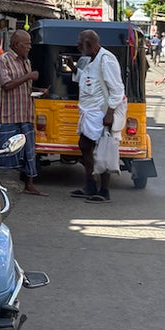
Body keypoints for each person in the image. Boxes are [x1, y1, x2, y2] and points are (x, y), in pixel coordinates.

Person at [70, 28, 127, 203]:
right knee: (85, 146)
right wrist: (73, 67)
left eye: (81, 44)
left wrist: (110, 113)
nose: (78, 47)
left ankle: (104, 191)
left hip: (102, 113)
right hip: (89, 113)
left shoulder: (106, 59)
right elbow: (87, 82)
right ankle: (90, 185)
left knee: (104, 150)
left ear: (89, 44)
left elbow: (117, 89)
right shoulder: (89, 60)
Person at [0, 29, 46, 196]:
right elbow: (7, 85)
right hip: (9, 113)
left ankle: (29, 184)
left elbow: (25, 86)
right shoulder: (3, 60)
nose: (30, 47)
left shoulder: (25, 61)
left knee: (29, 150)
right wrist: (29, 76)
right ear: (16, 45)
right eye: (27, 44)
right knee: (5, 150)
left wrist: (39, 90)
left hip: (25, 112)